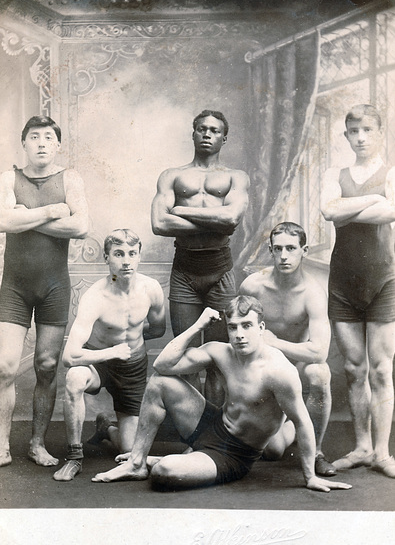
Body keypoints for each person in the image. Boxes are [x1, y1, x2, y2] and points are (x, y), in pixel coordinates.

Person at [91, 296, 351, 493]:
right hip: (213, 425)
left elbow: (303, 422)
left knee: (165, 472)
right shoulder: (221, 351)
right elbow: (162, 366)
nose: (239, 335)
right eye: (233, 327)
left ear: (261, 327)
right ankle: (137, 463)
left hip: (234, 454)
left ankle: (158, 460)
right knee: (160, 382)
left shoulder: (278, 371)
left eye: (246, 326)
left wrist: (310, 477)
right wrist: (197, 326)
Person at [0, 115, 89, 468]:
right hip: (14, 288)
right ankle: (2, 445)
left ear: (57, 144)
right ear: (23, 143)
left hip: (54, 286)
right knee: (5, 367)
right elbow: (3, 221)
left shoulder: (71, 178)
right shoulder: (9, 178)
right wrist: (53, 211)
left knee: (47, 366)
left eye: (48, 137)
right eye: (34, 136)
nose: (41, 143)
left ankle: (37, 443)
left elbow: (81, 226)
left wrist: (27, 216)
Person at [151, 110, 249, 404]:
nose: (207, 134)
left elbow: (231, 219)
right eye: (202, 129)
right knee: (187, 356)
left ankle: (215, 438)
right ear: (193, 133)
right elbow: (159, 224)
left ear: (224, 138)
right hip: (185, 271)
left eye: (215, 130)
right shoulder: (172, 175)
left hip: (221, 271)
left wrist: (181, 210)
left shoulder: (236, 176)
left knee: (219, 359)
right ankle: (194, 437)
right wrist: (213, 219)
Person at [53, 228, 166, 481]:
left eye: (131, 253)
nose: (126, 260)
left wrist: (131, 344)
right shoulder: (95, 296)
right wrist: (111, 351)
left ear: (139, 256)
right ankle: (74, 456)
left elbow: (158, 328)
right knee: (74, 377)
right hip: (99, 362)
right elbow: (69, 356)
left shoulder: (151, 289)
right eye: (118, 254)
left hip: (133, 366)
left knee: (128, 450)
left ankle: (107, 427)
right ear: (106, 257)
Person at [321, 104, 395, 478]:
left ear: (380, 133)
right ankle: (361, 446)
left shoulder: (393, 172)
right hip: (343, 281)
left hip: (383, 280)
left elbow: (392, 212)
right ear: (346, 135)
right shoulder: (335, 173)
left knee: (381, 370)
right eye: (353, 131)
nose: (361, 137)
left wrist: (345, 208)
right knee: (353, 369)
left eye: (367, 130)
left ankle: (382, 452)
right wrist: (373, 200)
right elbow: (326, 210)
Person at [239, 222, 336, 477]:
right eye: (278, 248)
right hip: (265, 366)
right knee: (273, 451)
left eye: (291, 248)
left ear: (304, 250)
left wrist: (273, 342)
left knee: (320, 372)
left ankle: (317, 452)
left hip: (297, 362)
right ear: (270, 250)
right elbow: (239, 334)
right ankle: (289, 422)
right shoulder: (253, 286)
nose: (284, 256)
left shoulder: (313, 293)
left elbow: (319, 352)